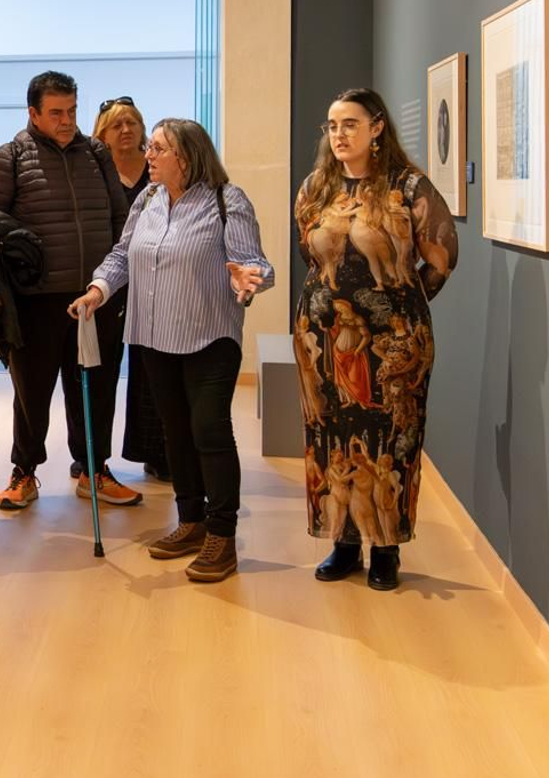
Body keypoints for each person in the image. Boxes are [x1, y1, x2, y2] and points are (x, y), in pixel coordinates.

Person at [70, 119, 273, 582]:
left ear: (187, 155)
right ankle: (192, 522)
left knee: (210, 431)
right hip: (155, 337)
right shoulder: (147, 200)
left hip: (209, 336)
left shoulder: (227, 200)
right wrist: (98, 290)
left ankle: (222, 535)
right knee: (175, 432)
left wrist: (247, 277)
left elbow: (254, 262)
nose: (148, 156)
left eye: (158, 148)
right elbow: (122, 256)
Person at [295, 88, 457, 591]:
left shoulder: (409, 188)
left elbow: (441, 259)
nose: (338, 135)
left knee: (394, 440)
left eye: (350, 124)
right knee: (330, 439)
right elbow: (309, 255)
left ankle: (386, 548)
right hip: (324, 338)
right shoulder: (316, 187)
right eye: (331, 125)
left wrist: (400, 306)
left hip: (395, 340)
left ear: (377, 127)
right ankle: (343, 543)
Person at [0, 70, 140, 512]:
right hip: (37, 299)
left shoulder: (96, 154)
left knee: (96, 385)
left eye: (72, 111)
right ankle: (24, 472)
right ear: (33, 112)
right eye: (56, 113)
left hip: (94, 296)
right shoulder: (10, 156)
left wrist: (112, 282)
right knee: (31, 391)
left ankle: (94, 470)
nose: (67, 120)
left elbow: (118, 219)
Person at [92, 95, 169, 480]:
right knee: (100, 372)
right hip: (108, 280)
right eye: (116, 125)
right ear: (101, 134)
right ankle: (93, 459)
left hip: (156, 285)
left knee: (152, 371)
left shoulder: (159, 172)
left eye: (132, 123)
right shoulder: (93, 172)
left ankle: (157, 452)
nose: (125, 130)